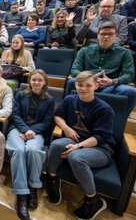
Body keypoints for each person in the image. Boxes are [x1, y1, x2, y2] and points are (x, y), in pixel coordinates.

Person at [46, 71, 115, 220]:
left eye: (88, 85)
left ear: (96, 86)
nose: (83, 88)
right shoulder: (70, 99)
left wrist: (78, 147)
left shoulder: (104, 109)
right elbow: (58, 115)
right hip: (75, 139)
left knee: (76, 158)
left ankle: (93, 200)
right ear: (75, 84)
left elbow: (101, 137)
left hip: (100, 148)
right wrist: (66, 128)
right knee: (56, 144)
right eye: (80, 85)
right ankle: (52, 180)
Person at [6, 70, 55, 220]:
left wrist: (31, 131)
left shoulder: (50, 99)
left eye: (40, 80)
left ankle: (33, 187)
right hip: (17, 129)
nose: (36, 83)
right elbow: (15, 114)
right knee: (19, 150)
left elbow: (47, 121)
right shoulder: (21, 94)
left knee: (33, 150)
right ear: (30, 81)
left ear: (45, 82)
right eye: (34, 80)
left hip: (36, 132)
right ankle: (21, 195)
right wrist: (24, 129)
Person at [67, 21, 136, 117]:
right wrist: (90, 79)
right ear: (98, 35)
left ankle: (118, 120)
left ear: (115, 35)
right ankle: (71, 115)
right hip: (86, 84)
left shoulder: (124, 53)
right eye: (103, 34)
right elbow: (75, 70)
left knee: (131, 91)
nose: (106, 37)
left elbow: (129, 74)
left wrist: (112, 81)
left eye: (110, 34)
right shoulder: (84, 50)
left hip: (110, 85)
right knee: (71, 82)